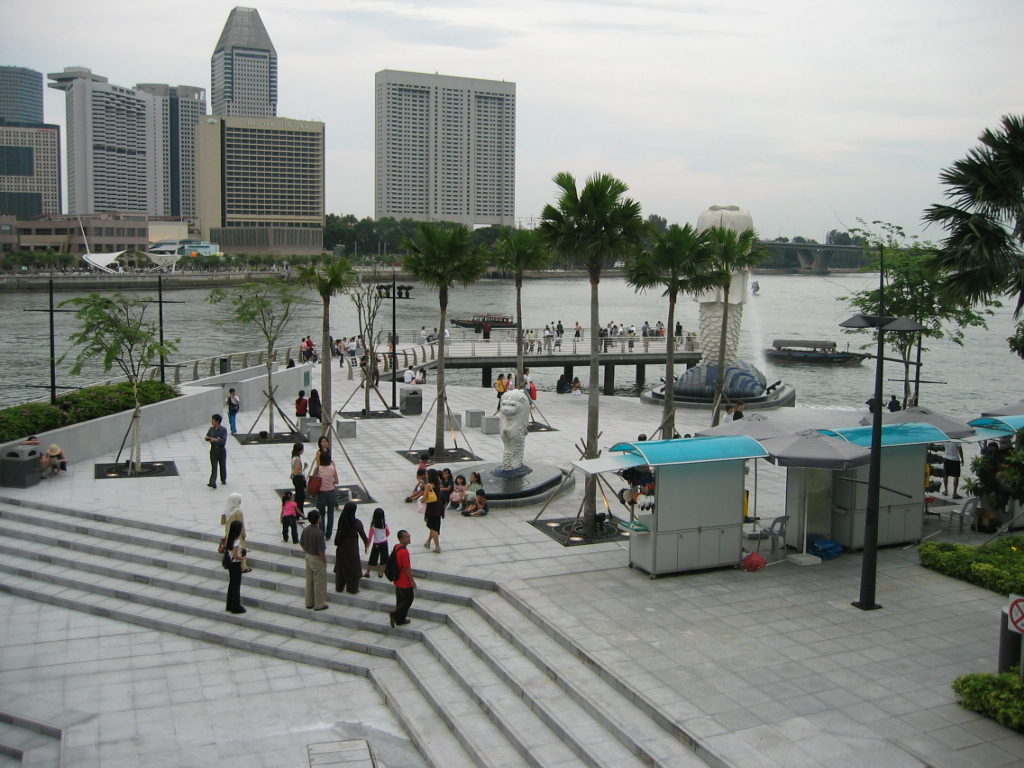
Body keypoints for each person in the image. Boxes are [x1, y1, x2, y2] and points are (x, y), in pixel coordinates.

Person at [334, 502, 368, 594]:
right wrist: (366, 545)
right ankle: (352, 589)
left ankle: (339, 587)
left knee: (341, 567)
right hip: (352, 549)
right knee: (353, 568)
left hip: (341, 547)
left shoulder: (341, 520)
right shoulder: (357, 523)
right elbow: (364, 537)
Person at [299, 510, 328, 610]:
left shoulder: (306, 529)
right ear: (317, 519)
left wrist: (307, 551)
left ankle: (309, 602)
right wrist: (324, 560)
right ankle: (319, 604)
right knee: (319, 582)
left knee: (309, 581)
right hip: (317, 558)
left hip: (308, 556)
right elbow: (321, 550)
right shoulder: (319, 533)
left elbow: (301, 543)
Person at [389, 529, 415, 628]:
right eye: (407, 537)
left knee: (400, 600)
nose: (409, 538)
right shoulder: (404, 552)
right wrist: (412, 581)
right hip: (404, 581)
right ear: (402, 539)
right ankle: (395, 615)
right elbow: (407, 568)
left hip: (397, 579)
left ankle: (399, 620)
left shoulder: (397, 547)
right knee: (408, 599)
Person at [221, 492, 250, 572]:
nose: (240, 502)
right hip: (237, 534)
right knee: (240, 549)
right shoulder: (238, 512)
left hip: (228, 533)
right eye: (239, 500)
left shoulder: (226, 511)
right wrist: (244, 534)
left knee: (231, 549)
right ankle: (243, 566)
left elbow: (223, 522)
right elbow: (241, 525)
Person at [314, 449, 340, 538]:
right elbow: (337, 481)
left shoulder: (318, 469)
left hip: (321, 494)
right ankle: (328, 534)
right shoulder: (332, 469)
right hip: (331, 493)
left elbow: (314, 478)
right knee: (331, 514)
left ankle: (321, 531)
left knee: (321, 514)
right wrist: (330, 482)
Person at [224, 519, 247, 614]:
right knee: (237, 585)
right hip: (235, 564)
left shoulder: (229, 539)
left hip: (230, 564)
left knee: (232, 584)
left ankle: (229, 605)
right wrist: (242, 558)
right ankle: (236, 606)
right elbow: (235, 555)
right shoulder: (236, 541)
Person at [422, 468, 444, 553]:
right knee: (435, 525)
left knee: (433, 527)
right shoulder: (438, 483)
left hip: (432, 508)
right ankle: (428, 542)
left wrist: (422, 500)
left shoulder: (428, 485)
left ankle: (437, 546)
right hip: (438, 507)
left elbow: (424, 498)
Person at [364, 508, 390, 578]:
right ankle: (380, 573)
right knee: (383, 558)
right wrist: (384, 536)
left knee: (373, 558)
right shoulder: (384, 524)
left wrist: (367, 546)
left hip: (376, 543)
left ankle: (368, 572)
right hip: (384, 543)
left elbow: (370, 537)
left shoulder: (373, 525)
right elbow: (388, 533)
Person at [205, 414, 228, 489]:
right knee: (214, 467)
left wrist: (215, 440)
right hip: (213, 449)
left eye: (213, 420)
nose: (212, 421)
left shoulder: (223, 430)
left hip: (221, 450)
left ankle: (223, 479)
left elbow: (223, 441)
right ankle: (212, 482)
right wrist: (208, 438)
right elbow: (207, 436)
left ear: (217, 421)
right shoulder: (211, 429)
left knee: (222, 465)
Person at [290, 442, 307, 514]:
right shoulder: (297, 459)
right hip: (298, 479)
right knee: (300, 497)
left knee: (299, 496)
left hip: (295, 479)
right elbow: (297, 471)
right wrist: (304, 468)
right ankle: (298, 514)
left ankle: (300, 512)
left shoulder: (293, 457)